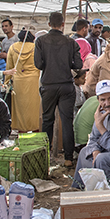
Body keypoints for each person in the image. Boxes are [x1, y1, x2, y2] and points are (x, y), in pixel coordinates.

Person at [34, 11, 83, 167]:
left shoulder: (41, 41)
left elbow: (38, 64)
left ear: (49, 24)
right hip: (66, 85)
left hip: (48, 85)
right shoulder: (71, 42)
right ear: (63, 24)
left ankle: (45, 157)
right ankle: (68, 158)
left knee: (47, 120)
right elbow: (78, 65)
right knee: (67, 121)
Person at [73, 80, 110, 188]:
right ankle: (81, 189)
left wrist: (100, 126)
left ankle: (107, 191)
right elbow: (93, 138)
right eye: (103, 99)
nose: (107, 103)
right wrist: (95, 151)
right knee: (84, 152)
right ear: (98, 100)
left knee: (102, 159)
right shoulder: (101, 110)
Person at [4, 30, 42, 132]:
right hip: (34, 81)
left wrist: (6, 82)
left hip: (18, 82)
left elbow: (9, 67)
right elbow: (41, 64)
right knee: (34, 108)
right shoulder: (36, 48)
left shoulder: (13, 47)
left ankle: (21, 130)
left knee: (20, 109)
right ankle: (35, 129)